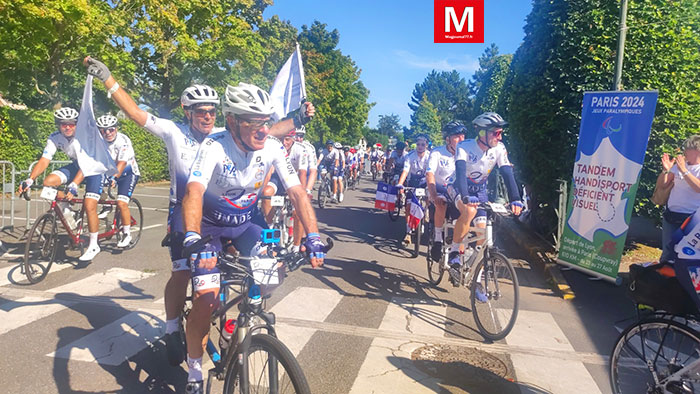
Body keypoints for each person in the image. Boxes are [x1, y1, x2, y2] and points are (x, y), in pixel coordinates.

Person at [83, 56, 315, 372]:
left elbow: (265, 128)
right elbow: (137, 114)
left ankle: (239, 317)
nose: (207, 116)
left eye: (211, 111)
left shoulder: (226, 132)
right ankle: (171, 328)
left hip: (231, 214)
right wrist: (109, 80)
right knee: (182, 274)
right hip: (186, 213)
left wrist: (297, 118)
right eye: (200, 112)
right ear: (188, 113)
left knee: (261, 266)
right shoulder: (173, 132)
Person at [182, 82, 326, 393]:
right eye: (254, 122)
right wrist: (192, 238)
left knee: (274, 273)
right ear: (232, 121)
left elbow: (297, 191)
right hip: (208, 231)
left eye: (266, 121)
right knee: (206, 300)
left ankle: (243, 317)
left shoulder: (273, 148)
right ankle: (194, 371)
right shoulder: (213, 146)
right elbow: (193, 192)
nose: (263, 130)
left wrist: (313, 236)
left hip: (244, 225)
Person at [17, 107, 107, 261]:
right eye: (63, 124)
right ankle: (67, 209)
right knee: (48, 182)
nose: (67, 127)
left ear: (77, 124)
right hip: (76, 166)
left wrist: (74, 184)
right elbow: (45, 160)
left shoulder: (84, 137)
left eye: (71, 124)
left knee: (90, 204)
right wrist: (30, 179)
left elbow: (86, 164)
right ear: (58, 125)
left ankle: (93, 244)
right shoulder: (54, 137)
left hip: (94, 168)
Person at [451, 112, 523, 293]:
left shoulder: (499, 148)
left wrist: (516, 199)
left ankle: (477, 278)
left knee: (484, 232)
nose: (500, 137)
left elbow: (507, 173)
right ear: (482, 133)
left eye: (501, 133)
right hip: (460, 187)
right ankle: (453, 253)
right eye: (495, 133)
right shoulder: (464, 147)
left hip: (480, 191)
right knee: (468, 211)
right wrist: (465, 196)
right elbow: (460, 173)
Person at [95, 114, 141, 248]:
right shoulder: (99, 141)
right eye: (104, 130)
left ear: (116, 128)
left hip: (128, 173)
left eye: (111, 129)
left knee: (121, 203)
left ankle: (127, 233)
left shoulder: (123, 141)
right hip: (111, 170)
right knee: (94, 184)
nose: (108, 133)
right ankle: (107, 205)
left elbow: (121, 163)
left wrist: (114, 178)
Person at [260, 130, 308, 252]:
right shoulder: (274, 147)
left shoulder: (300, 150)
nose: (284, 142)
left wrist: (301, 195)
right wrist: (261, 191)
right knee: (266, 193)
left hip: (295, 179)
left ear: (293, 139)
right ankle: (270, 225)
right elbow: (268, 170)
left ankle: (296, 246)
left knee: (298, 211)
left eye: (287, 139)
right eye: (281, 139)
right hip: (278, 178)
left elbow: (302, 172)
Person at [658, 135, 700, 262]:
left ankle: (681, 279)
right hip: (671, 216)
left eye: (687, 149)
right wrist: (665, 171)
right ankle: (663, 278)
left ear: (697, 151)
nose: (684, 152)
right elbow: (663, 184)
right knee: (667, 251)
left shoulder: (692, 168)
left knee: (685, 253)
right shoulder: (678, 166)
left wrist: (684, 170)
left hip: (691, 220)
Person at [426, 122, 465, 261]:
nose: (461, 139)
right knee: (441, 202)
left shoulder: (466, 153)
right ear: (448, 139)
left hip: (456, 190)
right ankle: (437, 239)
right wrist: (434, 194)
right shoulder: (437, 152)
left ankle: (457, 252)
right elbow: (430, 174)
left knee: (465, 215)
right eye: (456, 136)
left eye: (463, 136)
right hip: (438, 187)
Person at [396, 135, 430, 244]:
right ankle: (408, 232)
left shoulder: (430, 156)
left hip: (426, 181)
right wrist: (400, 184)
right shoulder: (410, 156)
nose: (420, 147)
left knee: (430, 197)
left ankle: (427, 210)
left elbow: (432, 173)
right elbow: (405, 171)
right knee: (408, 207)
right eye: (418, 144)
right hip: (413, 182)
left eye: (423, 144)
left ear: (426, 145)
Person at [294, 126, 318, 196]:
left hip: (304, 172)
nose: (298, 139)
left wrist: (308, 189)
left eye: (301, 136)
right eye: (295, 135)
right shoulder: (286, 144)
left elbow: (313, 170)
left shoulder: (309, 148)